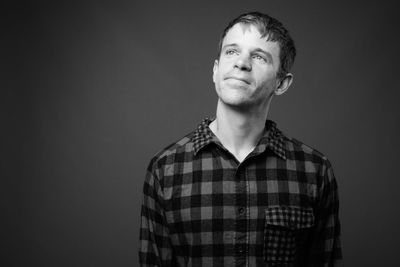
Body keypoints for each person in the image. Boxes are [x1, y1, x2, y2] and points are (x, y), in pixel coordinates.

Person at [139, 11, 342, 267]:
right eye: (232, 52)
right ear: (215, 70)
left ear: (282, 83)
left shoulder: (315, 171)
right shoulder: (165, 169)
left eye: (258, 57)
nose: (241, 63)